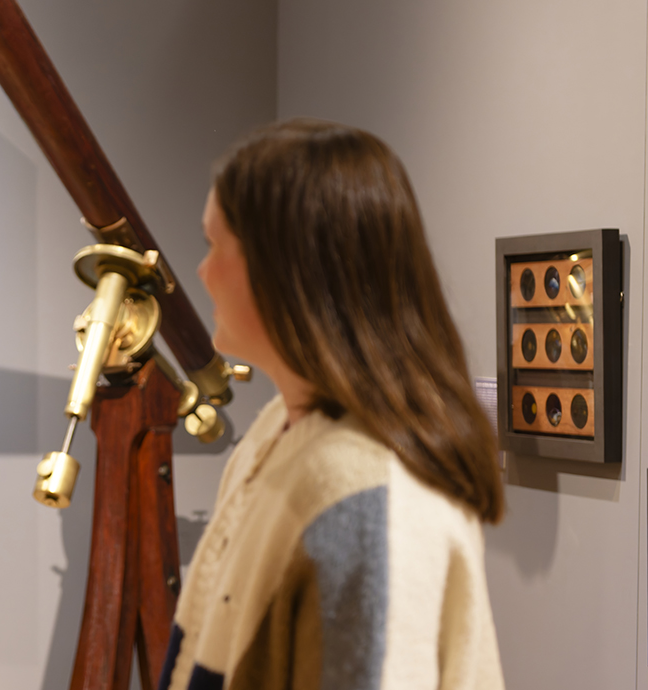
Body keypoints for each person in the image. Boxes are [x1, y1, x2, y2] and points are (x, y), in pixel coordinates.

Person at [159, 119, 505, 690]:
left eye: (216, 245)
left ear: (286, 269)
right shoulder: (277, 431)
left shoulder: (372, 493)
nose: (202, 271)